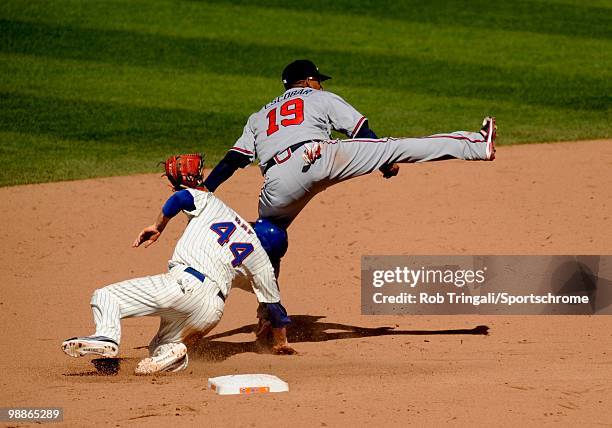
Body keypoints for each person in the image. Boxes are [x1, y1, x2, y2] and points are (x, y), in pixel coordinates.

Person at [203, 59, 496, 267]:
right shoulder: (319, 97)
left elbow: (234, 160)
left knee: (269, 238)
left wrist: (203, 189)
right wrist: (385, 162)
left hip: (278, 182)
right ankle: (477, 145)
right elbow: (360, 131)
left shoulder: (259, 116)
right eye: (318, 79)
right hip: (321, 157)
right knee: (397, 147)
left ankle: (268, 318)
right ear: (307, 81)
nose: (320, 84)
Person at [62, 154, 295, 375]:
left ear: (255, 227)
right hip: (210, 312)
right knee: (160, 347)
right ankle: (175, 355)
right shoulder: (263, 265)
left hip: (185, 285)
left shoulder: (217, 207)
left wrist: (158, 227)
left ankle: (106, 338)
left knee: (106, 297)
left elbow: (181, 198)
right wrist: (280, 342)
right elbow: (275, 310)